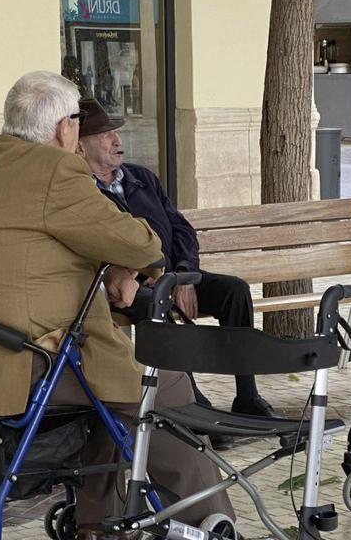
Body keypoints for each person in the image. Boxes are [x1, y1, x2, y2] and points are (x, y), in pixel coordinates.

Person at [0, 71, 278, 540]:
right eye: (76, 120)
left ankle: (97, 527)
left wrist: (110, 265)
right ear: (62, 129)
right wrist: (125, 262)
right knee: (160, 383)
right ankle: (212, 531)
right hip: (31, 361)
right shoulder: (54, 169)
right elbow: (142, 242)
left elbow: (36, 241)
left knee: (109, 385)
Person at [74, 98, 279, 435]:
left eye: (116, 133)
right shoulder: (81, 191)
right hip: (127, 289)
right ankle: (193, 405)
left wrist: (184, 275)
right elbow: (99, 247)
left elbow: (181, 229)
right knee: (153, 304)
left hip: (174, 275)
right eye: (105, 135)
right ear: (81, 146)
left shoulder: (141, 178)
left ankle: (247, 396)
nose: (117, 140)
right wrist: (147, 277)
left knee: (234, 290)